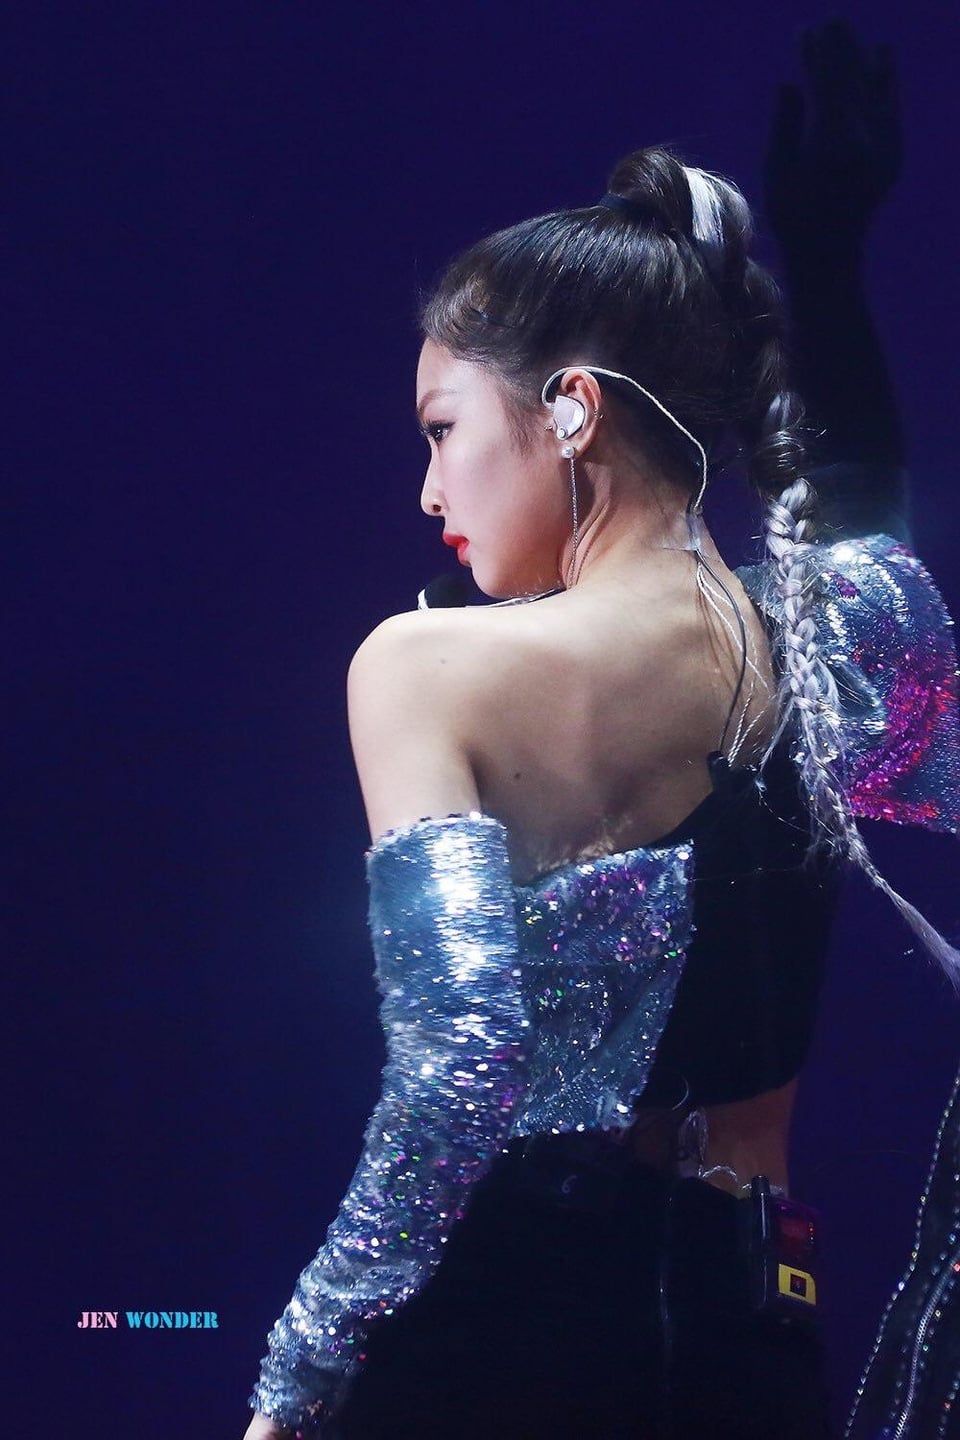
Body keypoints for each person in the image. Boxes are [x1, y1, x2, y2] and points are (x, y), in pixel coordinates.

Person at [242, 143, 960, 1439]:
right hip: (754, 1333)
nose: (428, 489)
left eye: (443, 429)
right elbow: (869, 524)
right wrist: (835, 270)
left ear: (572, 408)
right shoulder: (836, 644)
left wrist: (298, 1377)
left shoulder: (427, 666)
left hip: (501, 1331)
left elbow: (460, 1072)